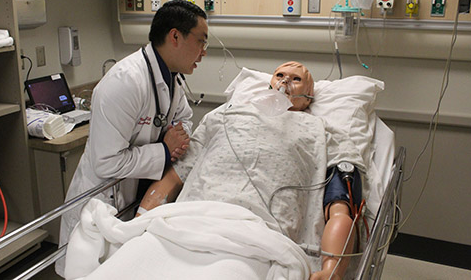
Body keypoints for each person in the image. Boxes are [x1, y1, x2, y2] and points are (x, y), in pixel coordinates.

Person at [136, 61, 365, 280]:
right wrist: (139, 222)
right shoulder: (226, 114)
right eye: (279, 75)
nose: (285, 80)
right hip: (195, 216)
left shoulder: (321, 129)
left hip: (266, 231)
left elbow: (340, 205)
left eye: (296, 79)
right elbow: (177, 175)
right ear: (269, 84)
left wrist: (332, 268)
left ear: (309, 97)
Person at [56, 0, 208, 276]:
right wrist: (163, 150)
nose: (203, 53)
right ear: (175, 36)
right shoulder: (125, 82)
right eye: (201, 42)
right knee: (91, 270)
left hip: (134, 192)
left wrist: (171, 141)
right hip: (103, 200)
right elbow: (106, 163)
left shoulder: (170, 78)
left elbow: (183, 118)